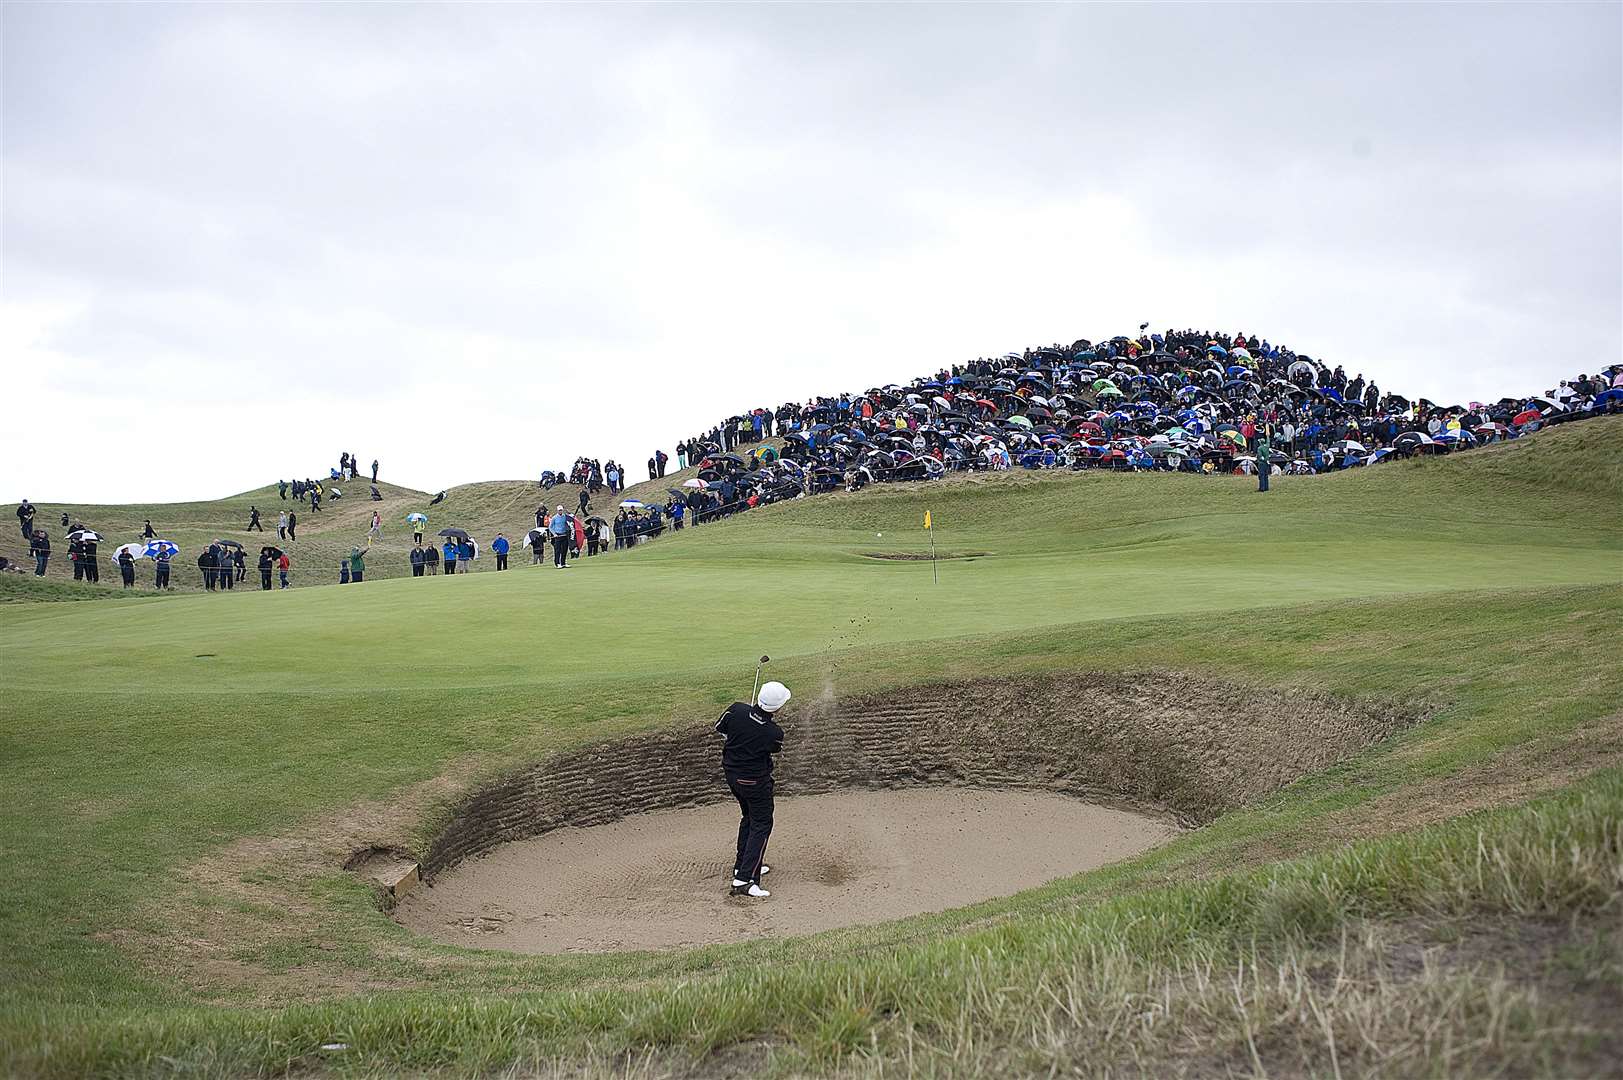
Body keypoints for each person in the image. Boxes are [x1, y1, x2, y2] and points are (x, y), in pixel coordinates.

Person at [715, 680, 791, 898]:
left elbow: (720, 728)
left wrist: (742, 727)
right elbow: (774, 748)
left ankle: (743, 866)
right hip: (755, 783)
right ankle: (744, 880)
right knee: (761, 824)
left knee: (749, 818)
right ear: (776, 708)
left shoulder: (736, 710)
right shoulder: (774, 732)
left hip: (732, 776)